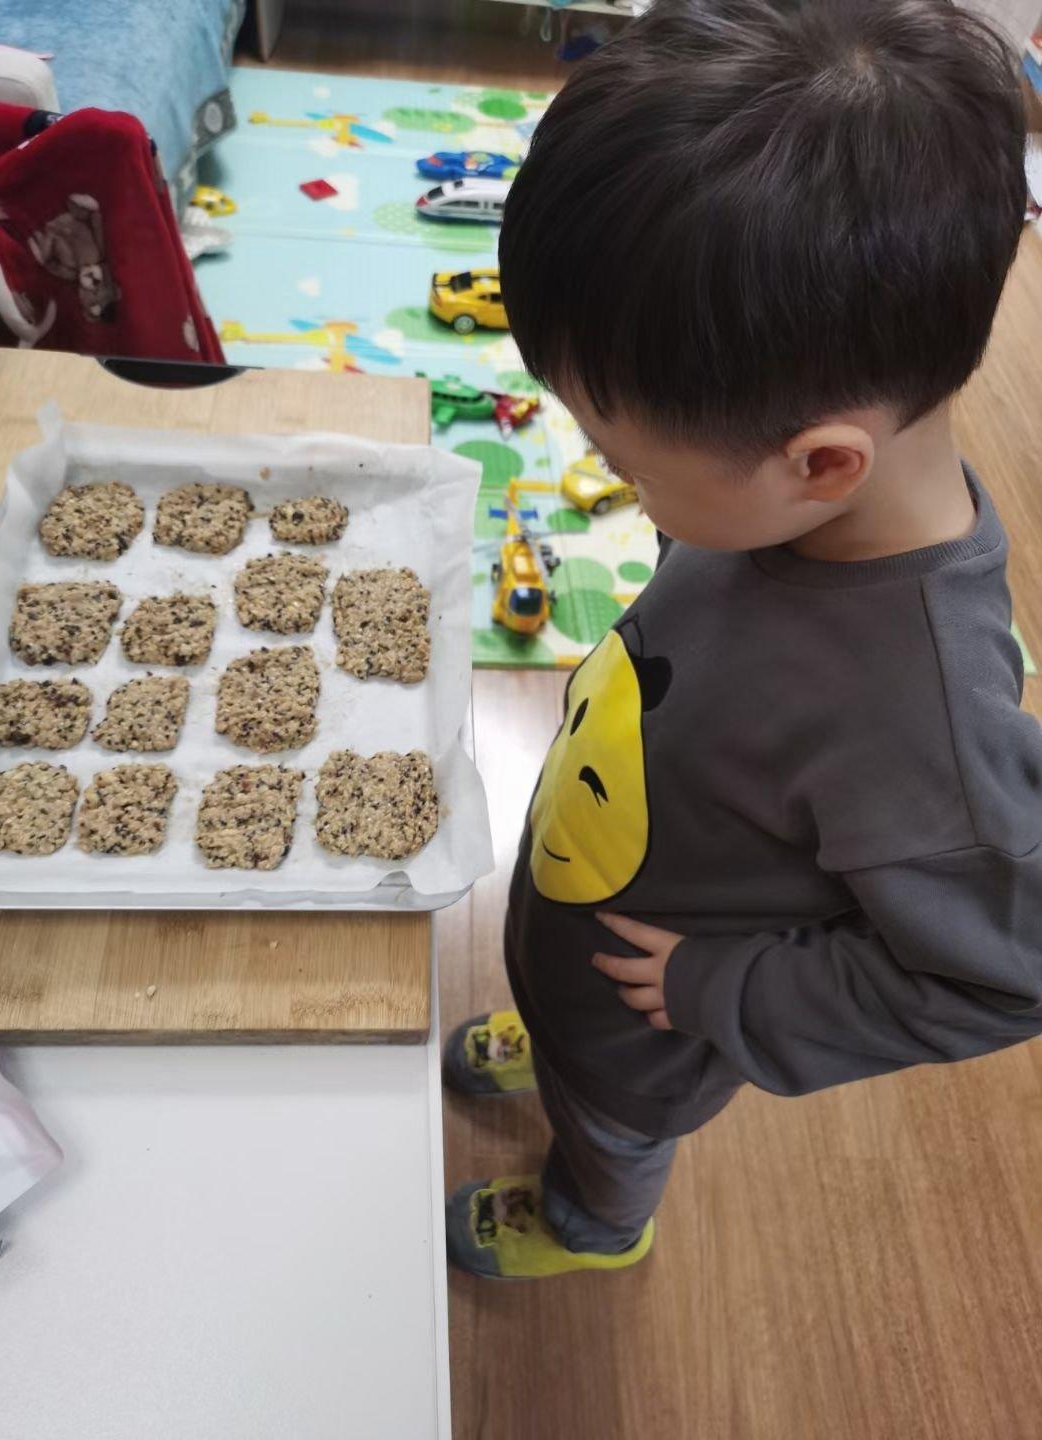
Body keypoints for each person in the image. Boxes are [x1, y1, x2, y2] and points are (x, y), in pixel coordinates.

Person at [443, 0, 1042, 1280]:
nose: (609, 482)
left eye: (622, 463)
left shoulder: (924, 728)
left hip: (653, 1034)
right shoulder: (789, 495)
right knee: (571, 1031)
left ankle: (595, 1227)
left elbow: (1003, 974)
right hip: (589, 931)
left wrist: (729, 995)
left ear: (820, 462)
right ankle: (552, 1036)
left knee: (604, 1132)